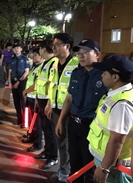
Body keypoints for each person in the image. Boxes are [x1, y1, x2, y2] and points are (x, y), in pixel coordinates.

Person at [55, 39, 108, 183]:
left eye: (86, 53)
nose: (81, 56)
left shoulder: (105, 76)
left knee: (90, 169)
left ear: (97, 54)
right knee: (75, 164)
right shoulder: (77, 73)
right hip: (73, 125)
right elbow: (69, 99)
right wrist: (61, 121)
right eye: (79, 53)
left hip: (92, 128)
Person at [87, 55, 133, 183]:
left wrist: (104, 168)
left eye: (105, 72)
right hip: (106, 161)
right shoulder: (115, 94)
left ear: (115, 77)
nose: (101, 75)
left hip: (114, 167)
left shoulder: (122, 104)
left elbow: (117, 141)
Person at [47, 33, 79, 182]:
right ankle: (64, 170)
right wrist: (49, 104)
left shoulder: (77, 64)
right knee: (60, 141)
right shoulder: (54, 63)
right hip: (56, 109)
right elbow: (52, 86)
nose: (53, 48)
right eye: (53, 45)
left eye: (56, 44)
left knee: (71, 144)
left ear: (67, 46)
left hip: (71, 111)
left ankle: (73, 172)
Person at [31, 40, 59, 169]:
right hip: (42, 101)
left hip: (48, 103)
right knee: (45, 129)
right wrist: (37, 98)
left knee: (50, 131)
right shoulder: (46, 63)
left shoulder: (54, 63)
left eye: (39, 49)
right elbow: (41, 84)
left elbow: (53, 86)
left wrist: (49, 104)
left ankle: (53, 157)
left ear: (43, 49)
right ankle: (47, 151)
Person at [22, 48, 44, 146]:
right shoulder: (35, 67)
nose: (33, 57)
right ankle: (31, 135)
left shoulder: (41, 68)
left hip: (35, 98)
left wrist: (26, 91)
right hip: (30, 97)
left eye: (35, 55)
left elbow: (36, 85)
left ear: (41, 57)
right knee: (32, 121)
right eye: (33, 55)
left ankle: (37, 142)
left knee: (36, 122)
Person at [9, 43, 30, 128]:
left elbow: (26, 72)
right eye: (15, 48)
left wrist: (18, 82)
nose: (16, 49)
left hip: (22, 83)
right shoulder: (12, 59)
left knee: (23, 102)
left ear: (21, 49)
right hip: (13, 82)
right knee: (16, 102)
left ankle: (25, 121)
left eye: (18, 48)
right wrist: (9, 82)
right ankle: (19, 119)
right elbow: (9, 72)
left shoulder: (25, 59)